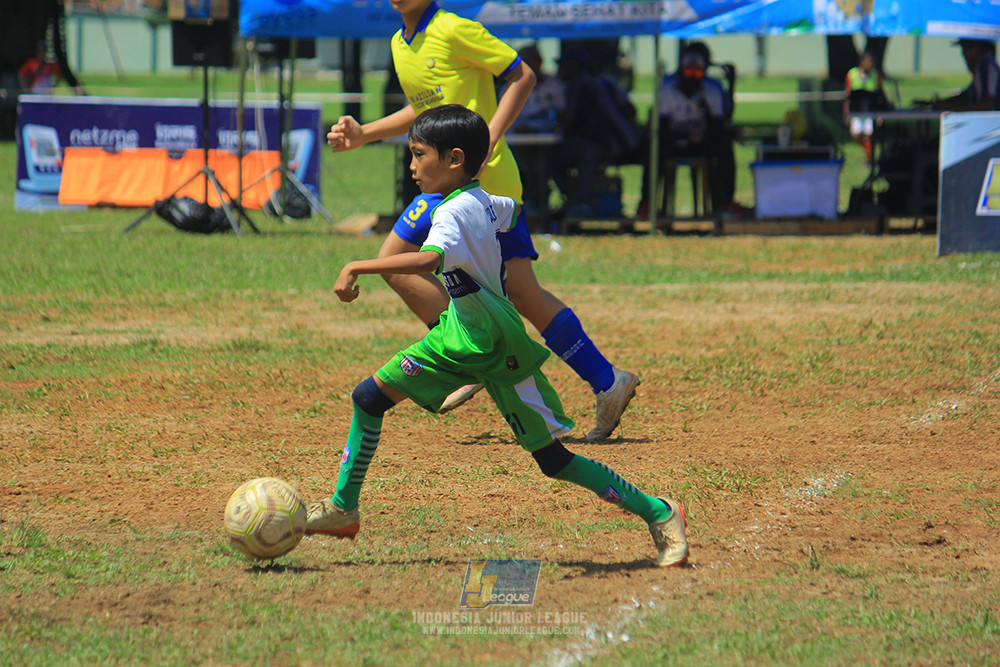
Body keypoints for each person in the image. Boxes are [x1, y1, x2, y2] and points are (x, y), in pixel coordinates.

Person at [306, 105, 689, 569]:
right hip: (455, 335)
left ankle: (661, 511)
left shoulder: (451, 212)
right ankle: (344, 508)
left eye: (418, 154)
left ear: (454, 159)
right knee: (368, 398)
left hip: (497, 347)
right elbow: (506, 213)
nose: (410, 166)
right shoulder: (482, 199)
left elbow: (428, 262)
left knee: (553, 461)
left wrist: (357, 265)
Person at [326, 0, 640, 441]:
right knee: (395, 263)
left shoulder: (455, 29)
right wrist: (366, 133)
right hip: (440, 185)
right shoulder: (400, 43)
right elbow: (428, 112)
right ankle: (473, 352)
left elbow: (522, 74)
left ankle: (607, 381)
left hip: (486, 185)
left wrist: (487, 137)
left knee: (522, 293)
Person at [636, 44, 737, 220]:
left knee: (723, 147)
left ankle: (726, 202)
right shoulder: (667, 87)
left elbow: (719, 125)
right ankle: (647, 203)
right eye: (688, 72)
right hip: (673, 141)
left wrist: (704, 108)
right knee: (654, 149)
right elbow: (661, 126)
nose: (692, 77)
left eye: (697, 73)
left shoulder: (711, 89)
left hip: (703, 141)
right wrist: (684, 137)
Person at [552, 46, 642, 218]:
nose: (560, 70)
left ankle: (576, 202)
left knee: (549, 156)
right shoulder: (607, 83)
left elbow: (569, 119)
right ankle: (574, 201)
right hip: (629, 143)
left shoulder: (579, 84)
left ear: (575, 66)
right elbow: (631, 110)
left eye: (564, 65)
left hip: (607, 146)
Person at [931, 39, 999, 112]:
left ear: (976, 50)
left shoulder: (986, 67)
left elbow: (988, 105)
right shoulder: (981, 67)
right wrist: (944, 103)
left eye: (965, 51)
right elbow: (967, 95)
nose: (964, 56)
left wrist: (955, 108)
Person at [843, 50, 885, 165]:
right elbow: (847, 95)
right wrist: (846, 112)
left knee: (868, 135)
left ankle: (869, 159)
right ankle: (867, 152)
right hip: (856, 110)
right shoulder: (852, 74)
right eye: (869, 62)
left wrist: (880, 113)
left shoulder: (876, 74)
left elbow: (880, 95)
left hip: (869, 110)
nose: (871, 64)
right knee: (856, 135)